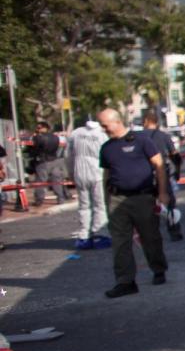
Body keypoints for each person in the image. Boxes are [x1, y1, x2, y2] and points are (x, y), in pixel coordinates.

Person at [97, 109, 170, 298]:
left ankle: (158, 269)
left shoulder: (142, 140)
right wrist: (107, 200)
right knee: (120, 241)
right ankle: (125, 281)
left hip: (142, 197)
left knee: (150, 236)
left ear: (117, 122)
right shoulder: (106, 148)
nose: (103, 129)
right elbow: (106, 174)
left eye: (105, 125)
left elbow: (159, 165)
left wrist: (162, 193)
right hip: (117, 199)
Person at [67, 120, 110, 250]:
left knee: (84, 205)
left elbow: (68, 156)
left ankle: (84, 236)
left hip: (80, 172)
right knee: (100, 205)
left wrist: (70, 173)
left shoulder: (76, 133)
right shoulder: (103, 135)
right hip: (98, 173)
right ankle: (100, 235)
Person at [142, 113, 184, 241]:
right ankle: (174, 231)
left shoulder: (140, 136)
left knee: (147, 204)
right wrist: (177, 171)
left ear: (146, 121)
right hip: (162, 172)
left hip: (145, 174)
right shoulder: (163, 136)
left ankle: (149, 233)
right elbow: (175, 155)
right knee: (169, 202)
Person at [31, 121, 70, 206]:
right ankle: (60, 198)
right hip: (54, 160)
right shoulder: (55, 137)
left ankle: (39, 200)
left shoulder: (38, 137)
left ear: (44, 128)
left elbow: (34, 148)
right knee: (57, 181)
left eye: (39, 128)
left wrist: (35, 136)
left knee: (40, 182)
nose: (37, 129)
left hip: (43, 162)